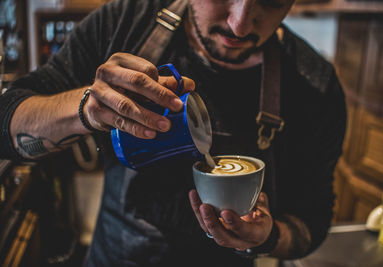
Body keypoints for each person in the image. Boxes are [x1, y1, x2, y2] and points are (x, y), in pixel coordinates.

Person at [0, 0, 346, 266]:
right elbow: (6, 125)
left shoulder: (313, 84)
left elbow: (312, 222)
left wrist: (267, 237)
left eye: (270, 1)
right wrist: (86, 109)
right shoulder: (126, 22)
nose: (240, 24)